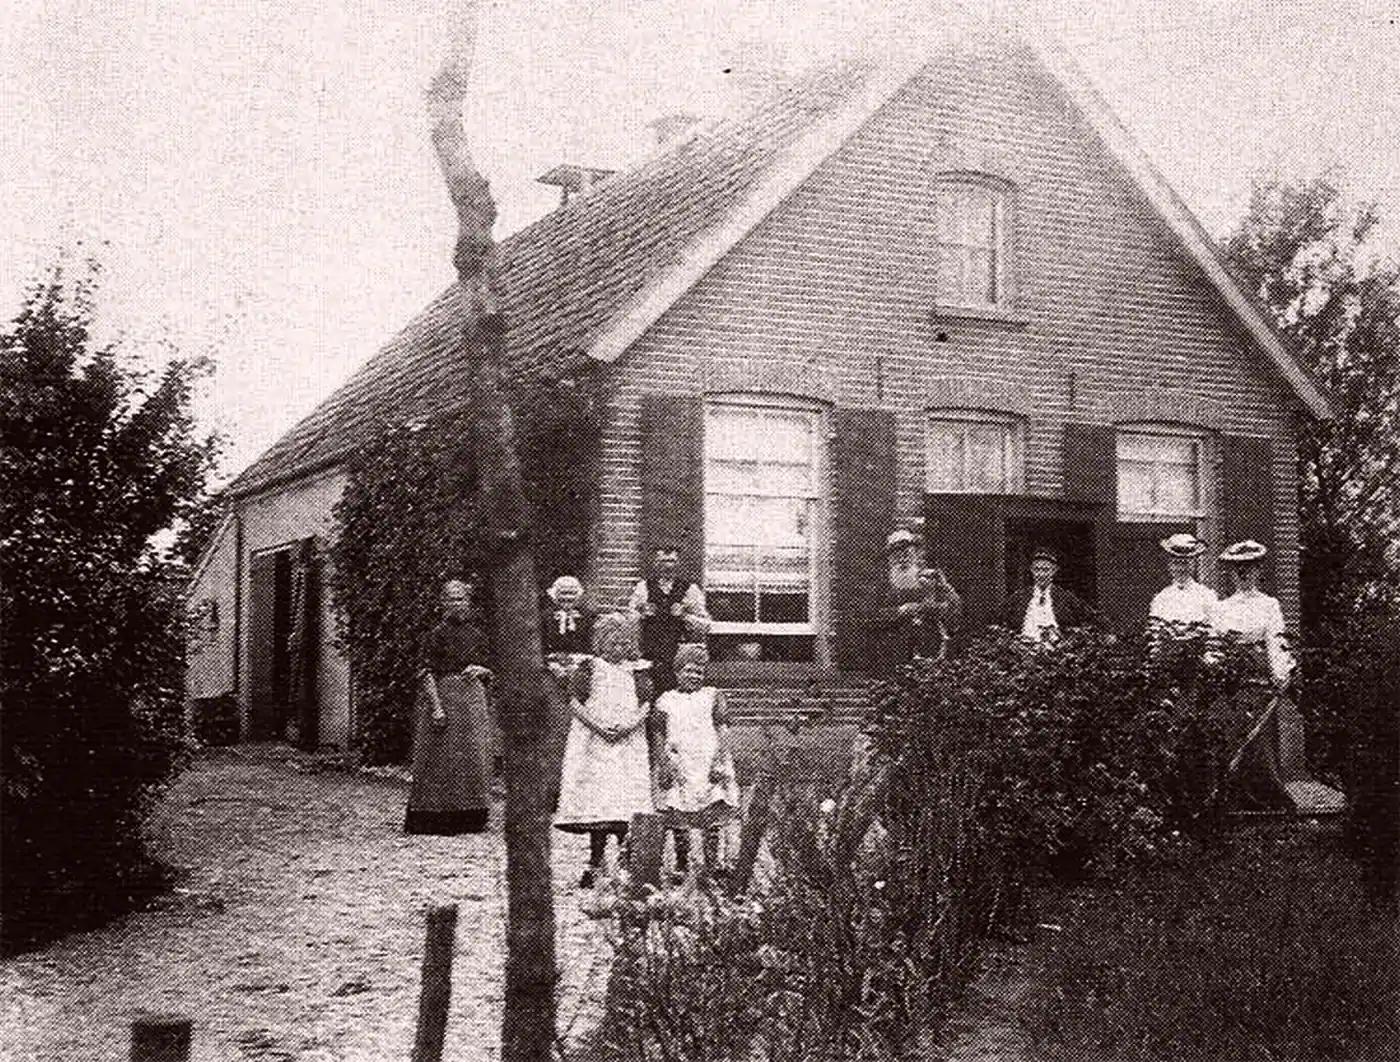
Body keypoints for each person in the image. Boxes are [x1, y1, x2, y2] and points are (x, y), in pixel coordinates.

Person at [554, 611, 656, 886]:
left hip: (627, 744)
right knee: (599, 804)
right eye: (611, 642)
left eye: (622, 643)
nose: (617, 648)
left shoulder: (637, 670)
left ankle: (625, 864)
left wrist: (628, 726)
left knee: (625, 802)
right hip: (595, 743)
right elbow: (574, 702)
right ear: (600, 642)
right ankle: (595, 862)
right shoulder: (590, 668)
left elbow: (646, 704)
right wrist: (597, 726)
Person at [1208, 539, 1309, 810]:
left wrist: (1281, 672)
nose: (1243, 574)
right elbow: (1214, 644)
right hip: (1231, 681)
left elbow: (1277, 641)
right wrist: (1214, 670)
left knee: (1260, 737)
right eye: (1238, 568)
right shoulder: (1221, 607)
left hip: (1258, 681)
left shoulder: (1269, 605)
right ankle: (1235, 797)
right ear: (1231, 572)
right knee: (1233, 734)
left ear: (1258, 570)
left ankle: (1267, 796)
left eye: (1249, 568)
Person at [405, 578, 493, 834]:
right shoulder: (436, 635)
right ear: (443, 602)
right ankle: (434, 817)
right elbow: (426, 672)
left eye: (462, 598)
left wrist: (482, 670)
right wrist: (436, 707)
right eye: (452, 599)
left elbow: (491, 669)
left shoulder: (478, 634)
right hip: (446, 698)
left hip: (472, 703)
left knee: (472, 758)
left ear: (469, 602)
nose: (458, 604)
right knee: (440, 760)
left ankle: (470, 816)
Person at [655, 643, 739, 879]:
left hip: (708, 761)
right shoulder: (666, 700)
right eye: (688, 670)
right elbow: (660, 734)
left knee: (712, 809)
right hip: (680, 762)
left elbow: (723, 731)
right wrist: (663, 762)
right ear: (677, 672)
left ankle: (713, 863)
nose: (693, 676)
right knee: (677, 810)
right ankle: (682, 863)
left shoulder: (712, 696)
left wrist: (719, 761)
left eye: (699, 671)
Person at [871, 528, 964, 669]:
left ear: (915, 554)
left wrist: (943, 589)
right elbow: (870, 617)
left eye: (907, 553)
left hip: (930, 654)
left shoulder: (931, 579)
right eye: (896, 555)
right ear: (890, 559)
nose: (902, 559)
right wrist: (901, 611)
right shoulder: (882, 586)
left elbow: (954, 613)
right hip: (894, 655)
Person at [541, 575, 594, 809]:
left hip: (580, 681)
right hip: (552, 682)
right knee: (553, 734)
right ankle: (551, 792)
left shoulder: (589, 619)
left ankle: (578, 793)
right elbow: (538, 648)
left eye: (572, 594)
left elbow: (595, 648)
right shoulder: (544, 619)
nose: (567, 598)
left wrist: (578, 666)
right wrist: (552, 665)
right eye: (563, 594)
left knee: (579, 732)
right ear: (554, 595)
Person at [628, 547, 711, 693]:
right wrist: (642, 613)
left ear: (678, 564)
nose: (667, 566)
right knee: (647, 693)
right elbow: (629, 621)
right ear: (655, 564)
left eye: (671, 561)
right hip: (650, 653)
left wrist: (685, 615)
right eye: (662, 561)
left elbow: (705, 625)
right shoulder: (643, 588)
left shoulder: (690, 589)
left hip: (678, 654)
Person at [999, 546, 1095, 641]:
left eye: (1045, 570)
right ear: (1031, 570)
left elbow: (1092, 617)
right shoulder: (1019, 597)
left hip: (1058, 652)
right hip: (1023, 651)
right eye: (1037, 569)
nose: (1041, 575)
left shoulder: (1065, 597)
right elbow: (996, 619)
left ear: (1054, 571)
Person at [1148, 532, 1218, 628]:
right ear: (1169, 566)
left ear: (1193, 564)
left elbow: (1213, 630)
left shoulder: (1206, 596)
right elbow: (1155, 631)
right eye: (1176, 563)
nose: (1181, 568)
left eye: (1185, 563)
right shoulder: (1161, 598)